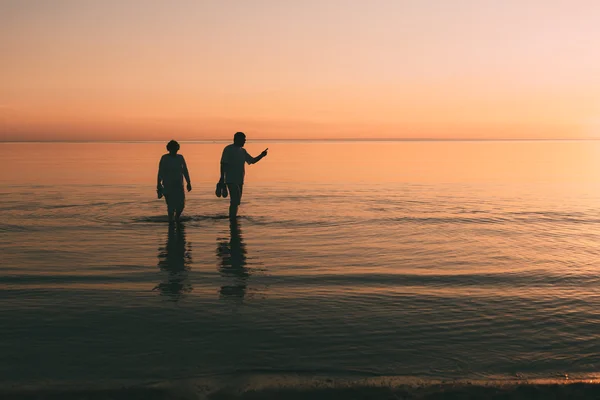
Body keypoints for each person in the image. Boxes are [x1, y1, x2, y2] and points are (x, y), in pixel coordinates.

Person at [219, 132, 268, 219]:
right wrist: (222, 179)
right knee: (234, 201)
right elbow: (223, 164)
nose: (245, 141)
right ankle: (232, 219)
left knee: (237, 202)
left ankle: (233, 218)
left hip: (240, 180)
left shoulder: (242, 151)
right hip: (230, 180)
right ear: (237, 139)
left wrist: (262, 155)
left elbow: (252, 161)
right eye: (243, 139)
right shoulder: (228, 149)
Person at [157, 140, 192, 224]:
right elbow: (160, 172)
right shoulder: (164, 158)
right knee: (171, 207)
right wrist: (158, 185)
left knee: (181, 206)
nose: (174, 151)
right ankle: (171, 223)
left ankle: (176, 218)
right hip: (168, 186)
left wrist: (189, 182)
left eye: (176, 149)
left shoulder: (180, 157)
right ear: (169, 149)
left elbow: (185, 170)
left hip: (179, 186)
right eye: (173, 149)